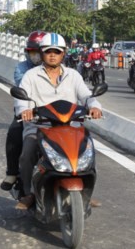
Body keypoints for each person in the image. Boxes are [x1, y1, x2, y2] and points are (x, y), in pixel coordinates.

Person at [15, 32, 103, 209]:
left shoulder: (73, 75)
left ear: (63, 53)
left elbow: (86, 95)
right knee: (28, 152)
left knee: (89, 152)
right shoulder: (31, 76)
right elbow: (21, 99)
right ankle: (28, 193)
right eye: (48, 51)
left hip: (71, 126)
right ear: (41, 53)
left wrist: (94, 106)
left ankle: (84, 193)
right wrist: (24, 110)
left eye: (57, 51)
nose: (52, 55)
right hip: (40, 126)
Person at [0, 30, 47, 191]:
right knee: (14, 133)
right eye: (33, 52)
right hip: (29, 110)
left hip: (55, 112)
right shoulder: (22, 69)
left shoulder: (64, 70)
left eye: (40, 52)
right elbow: (24, 88)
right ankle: (12, 173)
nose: (37, 56)